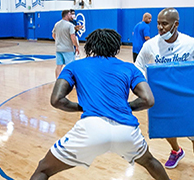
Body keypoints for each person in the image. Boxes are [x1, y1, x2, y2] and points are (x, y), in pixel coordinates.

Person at [30, 29, 170, 180]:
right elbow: (148, 100)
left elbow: (56, 100)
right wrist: (123, 107)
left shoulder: (74, 66)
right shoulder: (130, 67)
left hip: (91, 128)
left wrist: (80, 107)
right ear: (116, 47)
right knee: (150, 162)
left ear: (90, 46)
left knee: (43, 170)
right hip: (126, 131)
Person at [135, 8, 194, 180]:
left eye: (165, 24)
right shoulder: (150, 45)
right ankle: (176, 151)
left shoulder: (191, 43)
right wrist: (145, 85)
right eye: (158, 24)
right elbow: (138, 65)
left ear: (176, 24)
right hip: (163, 97)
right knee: (166, 129)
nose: (160, 28)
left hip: (188, 98)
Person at [52, 10, 79, 78]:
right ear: (67, 15)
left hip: (58, 49)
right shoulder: (70, 25)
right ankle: (70, 80)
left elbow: (53, 35)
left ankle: (58, 80)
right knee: (70, 66)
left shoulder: (57, 24)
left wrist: (59, 41)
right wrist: (77, 46)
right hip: (68, 49)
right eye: (70, 14)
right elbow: (73, 37)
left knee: (59, 66)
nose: (71, 16)